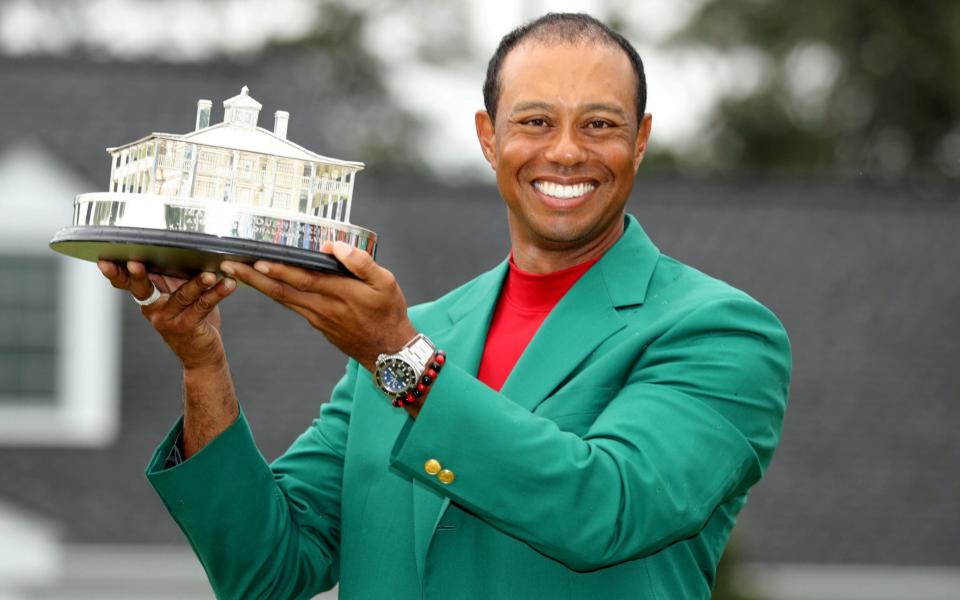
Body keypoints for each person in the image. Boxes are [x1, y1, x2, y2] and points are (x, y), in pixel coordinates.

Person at [99, 12, 790, 600]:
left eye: (600, 124)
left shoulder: (720, 332)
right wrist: (202, 364)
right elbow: (265, 571)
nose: (567, 151)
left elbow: (603, 510)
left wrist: (399, 360)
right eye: (536, 120)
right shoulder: (415, 331)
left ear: (639, 140)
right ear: (489, 138)